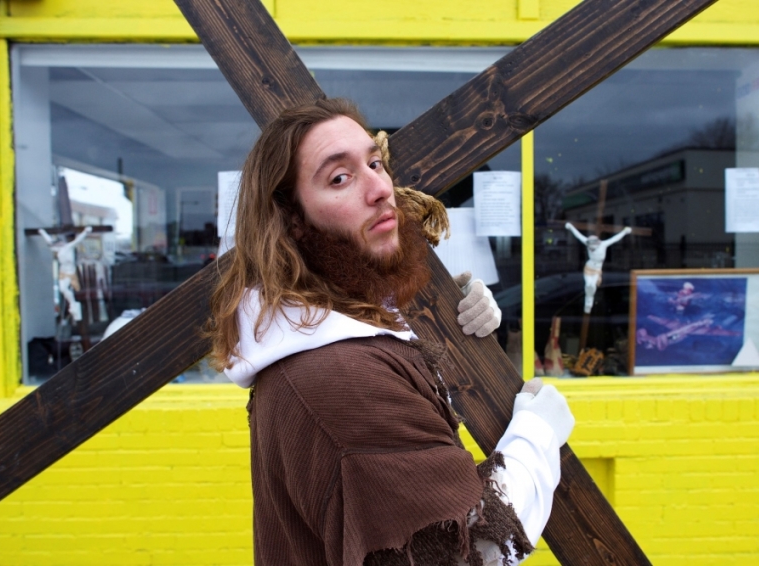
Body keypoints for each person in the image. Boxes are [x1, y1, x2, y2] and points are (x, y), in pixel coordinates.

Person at [208, 98, 574, 566]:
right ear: (293, 220)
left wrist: (444, 309)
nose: (380, 188)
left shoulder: (321, 339)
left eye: (375, 163)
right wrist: (537, 436)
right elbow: (469, 549)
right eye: (340, 178)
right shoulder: (340, 380)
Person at [564, 222, 632, 313]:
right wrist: (570, 227)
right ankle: (588, 304)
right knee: (588, 285)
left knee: (592, 285)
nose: (591, 249)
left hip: (597, 269)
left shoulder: (603, 244)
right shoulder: (587, 242)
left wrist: (624, 232)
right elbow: (578, 235)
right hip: (589, 267)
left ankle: (589, 304)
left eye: (593, 248)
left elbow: (615, 239)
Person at [38, 226, 92, 322]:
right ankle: (72, 304)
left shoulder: (68, 247)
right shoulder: (57, 250)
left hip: (70, 271)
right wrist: (42, 232)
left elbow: (78, 240)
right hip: (63, 272)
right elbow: (49, 241)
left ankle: (73, 305)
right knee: (63, 289)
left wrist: (85, 232)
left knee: (68, 288)